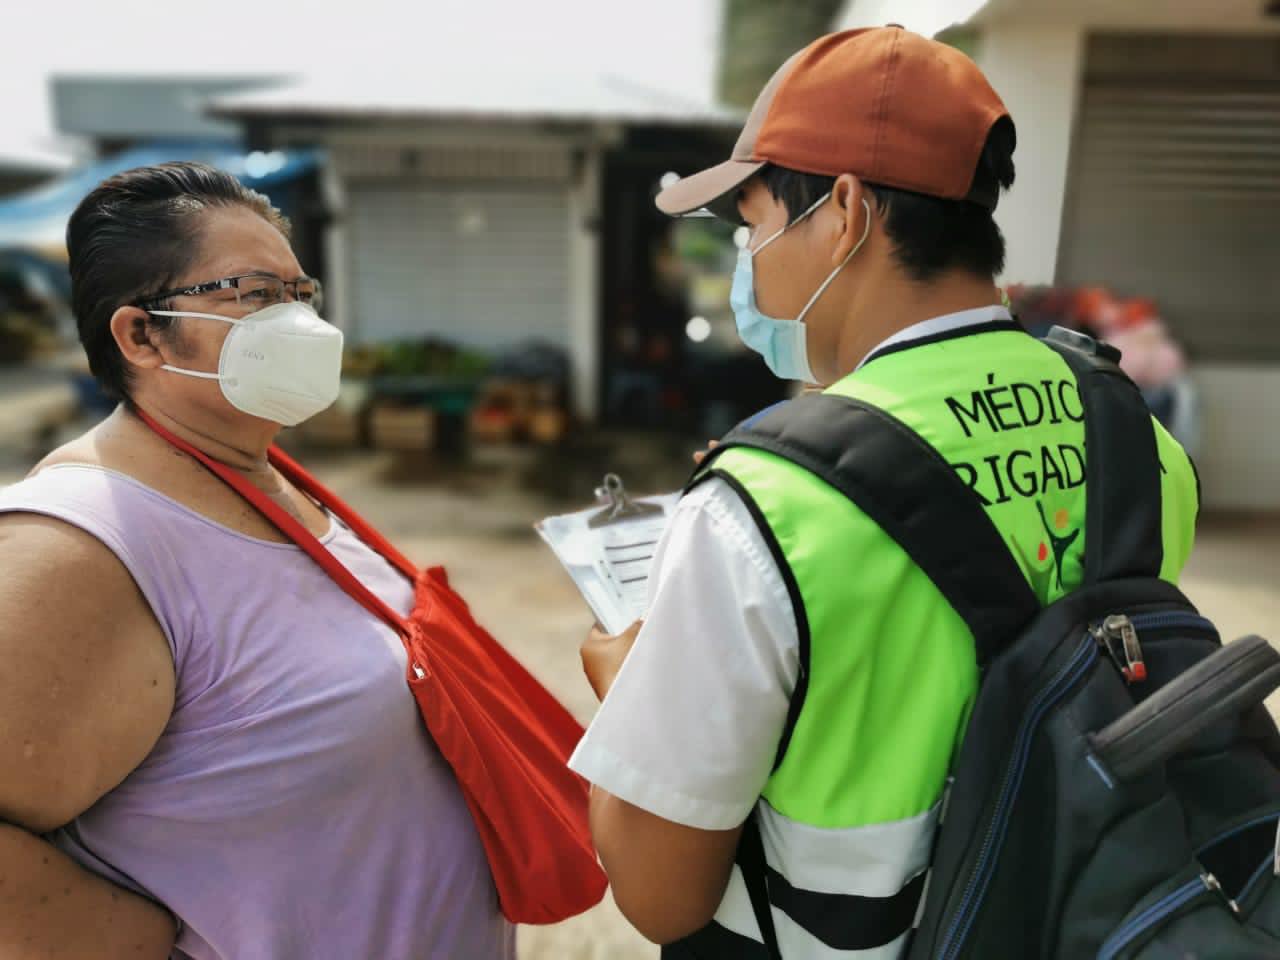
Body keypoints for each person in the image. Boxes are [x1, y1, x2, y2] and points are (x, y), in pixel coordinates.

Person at [567, 27, 1200, 958]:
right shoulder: (1135, 436)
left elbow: (662, 898)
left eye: (753, 223)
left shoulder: (763, 507)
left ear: (847, 211)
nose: (750, 257)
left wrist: (631, 690)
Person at [0, 162, 515, 959]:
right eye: (256, 293)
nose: (303, 323)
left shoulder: (263, 475)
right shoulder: (80, 541)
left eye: (301, 293)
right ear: (141, 334)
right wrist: (141, 941)